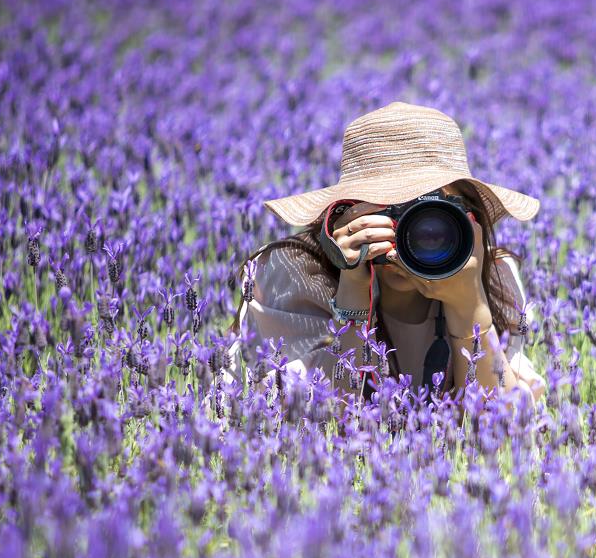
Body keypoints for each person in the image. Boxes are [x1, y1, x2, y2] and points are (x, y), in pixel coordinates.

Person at [228, 101, 546, 401]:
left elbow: (506, 431)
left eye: (430, 215)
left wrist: (471, 307)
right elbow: (316, 425)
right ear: (344, 214)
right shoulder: (293, 273)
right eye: (389, 211)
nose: (410, 234)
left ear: (468, 219)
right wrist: (352, 290)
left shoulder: (493, 274)